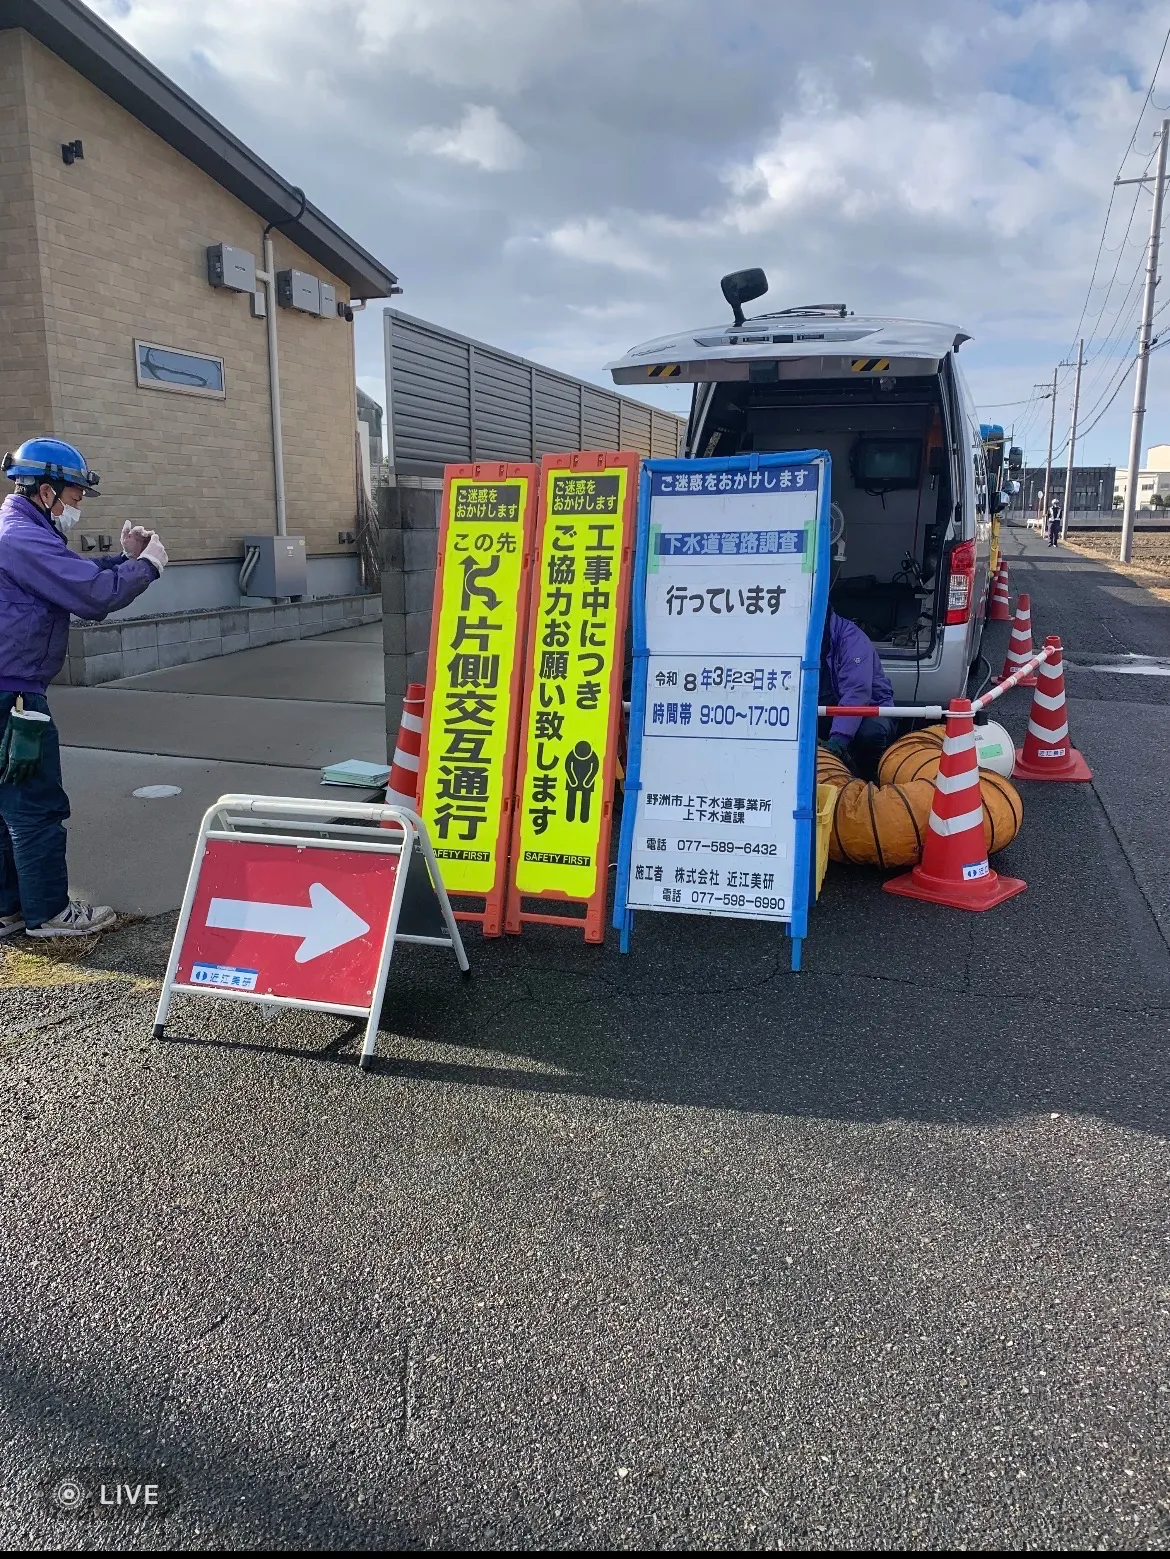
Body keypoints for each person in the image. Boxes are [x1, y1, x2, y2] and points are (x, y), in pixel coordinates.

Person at [0, 438, 167, 938]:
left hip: (8, 686)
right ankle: (50, 912)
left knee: (8, 804)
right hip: (16, 696)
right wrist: (148, 566)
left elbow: (75, 575)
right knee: (35, 804)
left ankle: (10, 908)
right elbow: (91, 595)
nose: (76, 508)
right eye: (74, 497)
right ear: (46, 490)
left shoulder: (23, 531)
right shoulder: (21, 539)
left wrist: (123, 559)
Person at [818, 608, 896, 780]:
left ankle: (871, 780)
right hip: (829, 708)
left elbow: (857, 692)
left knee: (870, 734)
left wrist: (839, 739)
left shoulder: (853, 640)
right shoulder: (798, 637)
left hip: (870, 708)